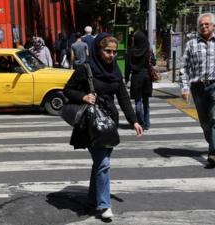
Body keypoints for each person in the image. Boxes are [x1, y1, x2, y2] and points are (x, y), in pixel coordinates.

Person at [63, 33, 143, 219]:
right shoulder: (86, 69)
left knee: (100, 163)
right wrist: (83, 96)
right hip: (91, 124)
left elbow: (123, 97)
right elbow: (68, 90)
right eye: (107, 51)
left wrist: (134, 121)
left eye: (114, 52)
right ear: (98, 50)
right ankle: (104, 205)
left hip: (108, 123)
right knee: (103, 163)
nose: (111, 55)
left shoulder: (115, 70)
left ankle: (93, 199)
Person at [180, 13, 215, 168]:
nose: (203, 27)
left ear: (214, 26)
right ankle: (213, 141)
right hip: (198, 86)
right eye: (201, 25)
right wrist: (184, 87)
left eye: (207, 24)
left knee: (214, 118)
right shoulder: (191, 44)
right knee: (204, 122)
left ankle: (213, 153)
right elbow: (184, 67)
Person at [128, 31, 156, 130]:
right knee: (146, 101)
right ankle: (147, 123)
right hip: (147, 77)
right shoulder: (148, 50)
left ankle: (141, 122)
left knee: (138, 101)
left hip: (136, 77)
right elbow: (153, 62)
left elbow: (128, 66)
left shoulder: (131, 51)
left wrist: (127, 79)